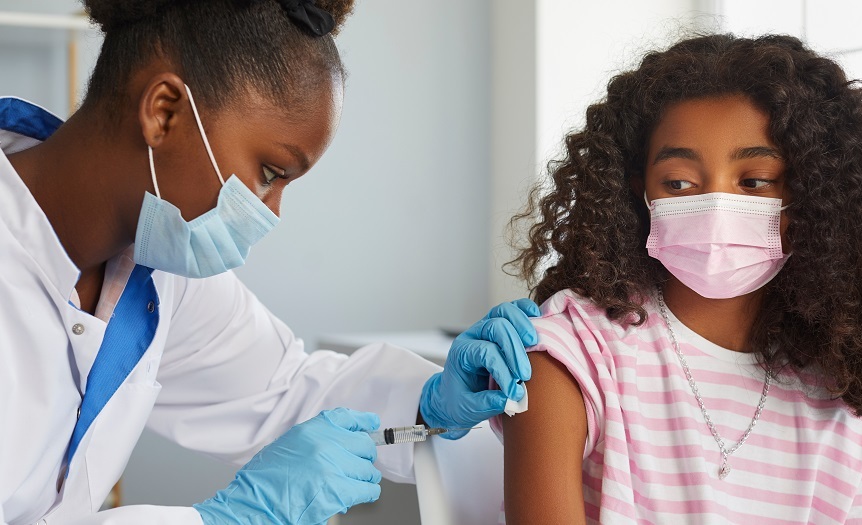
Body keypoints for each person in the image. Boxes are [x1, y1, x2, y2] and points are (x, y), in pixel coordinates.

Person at [0, 0, 537, 523]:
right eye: (269, 173)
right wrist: (224, 519)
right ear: (164, 112)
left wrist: (430, 404)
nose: (272, 213)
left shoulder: (156, 272)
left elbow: (285, 391)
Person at [493, 34, 862, 524]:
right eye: (679, 183)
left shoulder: (843, 399)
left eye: (754, 181)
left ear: (815, 196)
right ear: (638, 191)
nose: (715, 207)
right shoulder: (575, 355)